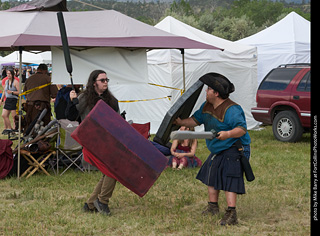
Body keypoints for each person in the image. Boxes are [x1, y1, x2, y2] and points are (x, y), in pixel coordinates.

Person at [173, 73, 251, 226]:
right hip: (218, 149)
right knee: (212, 175)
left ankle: (231, 213)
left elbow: (241, 129)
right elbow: (195, 120)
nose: (206, 91)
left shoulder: (232, 109)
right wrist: (180, 121)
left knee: (230, 178)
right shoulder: (206, 106)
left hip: (235, 148)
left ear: (216, 93)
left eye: (208, 89)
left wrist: (228, 134)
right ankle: (213, 207)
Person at [66, 70, 119, 216]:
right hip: (92, 141)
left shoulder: (112, 101)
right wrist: (72, 102)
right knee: (113, 169)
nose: (106, 82)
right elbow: (70, 116)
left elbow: (118, 122)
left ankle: (90, 204)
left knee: (109, 170)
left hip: (108, 141)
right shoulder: (84, 98)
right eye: (102, 80)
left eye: (106, 79)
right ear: (94, 82)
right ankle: (102, 201)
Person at [23, 64, 58, 132]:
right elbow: (55, 94)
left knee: (30, 127)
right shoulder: (48, 78)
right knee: (43, 129)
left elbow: (25, 93)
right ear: (45, 70)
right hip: (42, 107)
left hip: (30, 106)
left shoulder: (29, 79)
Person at [0, 69, 19, 135]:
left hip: (13, 99)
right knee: (4, 115)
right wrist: (1, 99)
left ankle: (15, 129)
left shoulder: (16, 82)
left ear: (13, 74)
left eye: (10, 74)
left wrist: (12, 92)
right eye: (7, 74)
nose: (8, 75)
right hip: (8, 99)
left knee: (14, 117)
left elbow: (19, 92)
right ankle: (10, 129)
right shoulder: (6, 81)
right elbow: (4, 91)